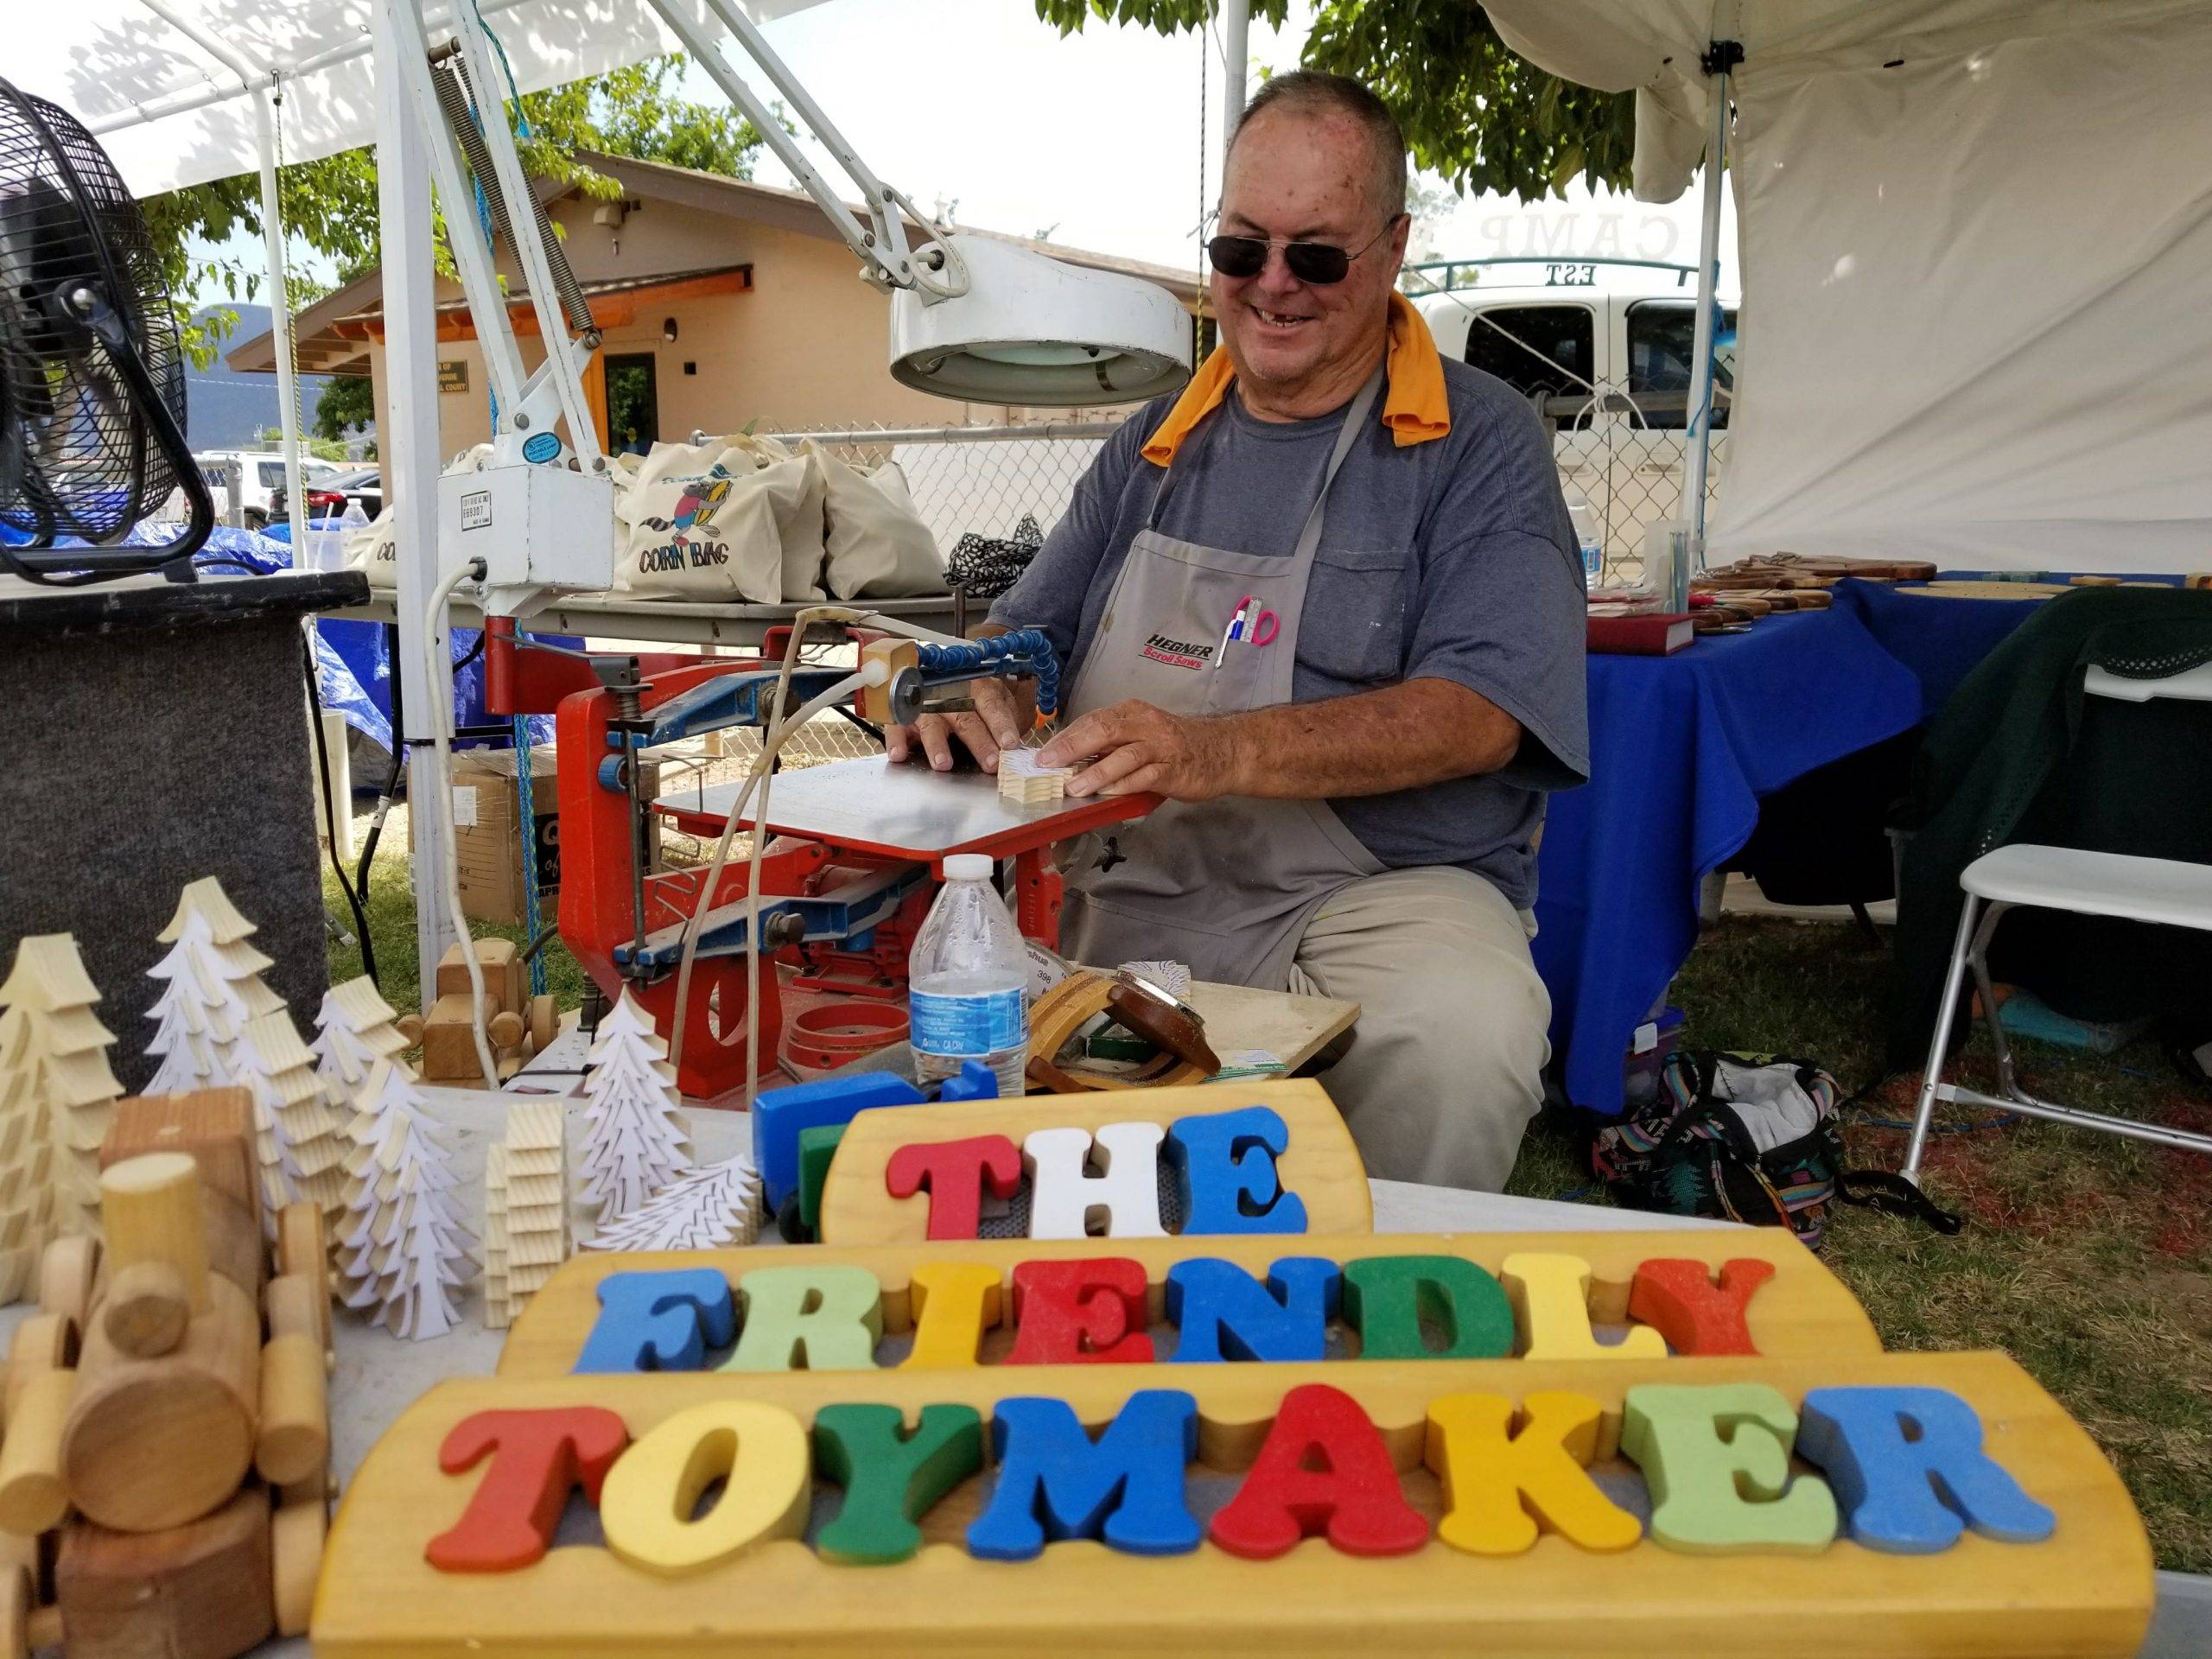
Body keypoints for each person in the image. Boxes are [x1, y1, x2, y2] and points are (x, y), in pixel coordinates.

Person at [886, 71, 1588, 1191]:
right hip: (1139, 882)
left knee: (1466, 1035)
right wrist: (963, 700)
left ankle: (1380, 1317)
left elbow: (1484, 714)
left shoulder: (1477, 440)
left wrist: (1215, 749)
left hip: (1368, 901)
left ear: (1394, 249)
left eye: (1316, 256)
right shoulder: (1154, 441)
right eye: (1238, 250)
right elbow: (1021, 645)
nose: (1272, 287)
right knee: (923, 1044)